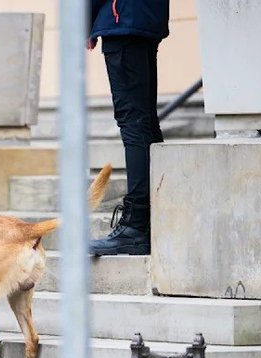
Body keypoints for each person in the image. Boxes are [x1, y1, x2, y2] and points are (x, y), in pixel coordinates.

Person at [88, 0, 169, 256]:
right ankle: (153, 217)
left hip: (121, 18)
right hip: (146, 18)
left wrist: (84, 23)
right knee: (145, 123)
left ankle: (135, 226)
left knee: (134, 123)